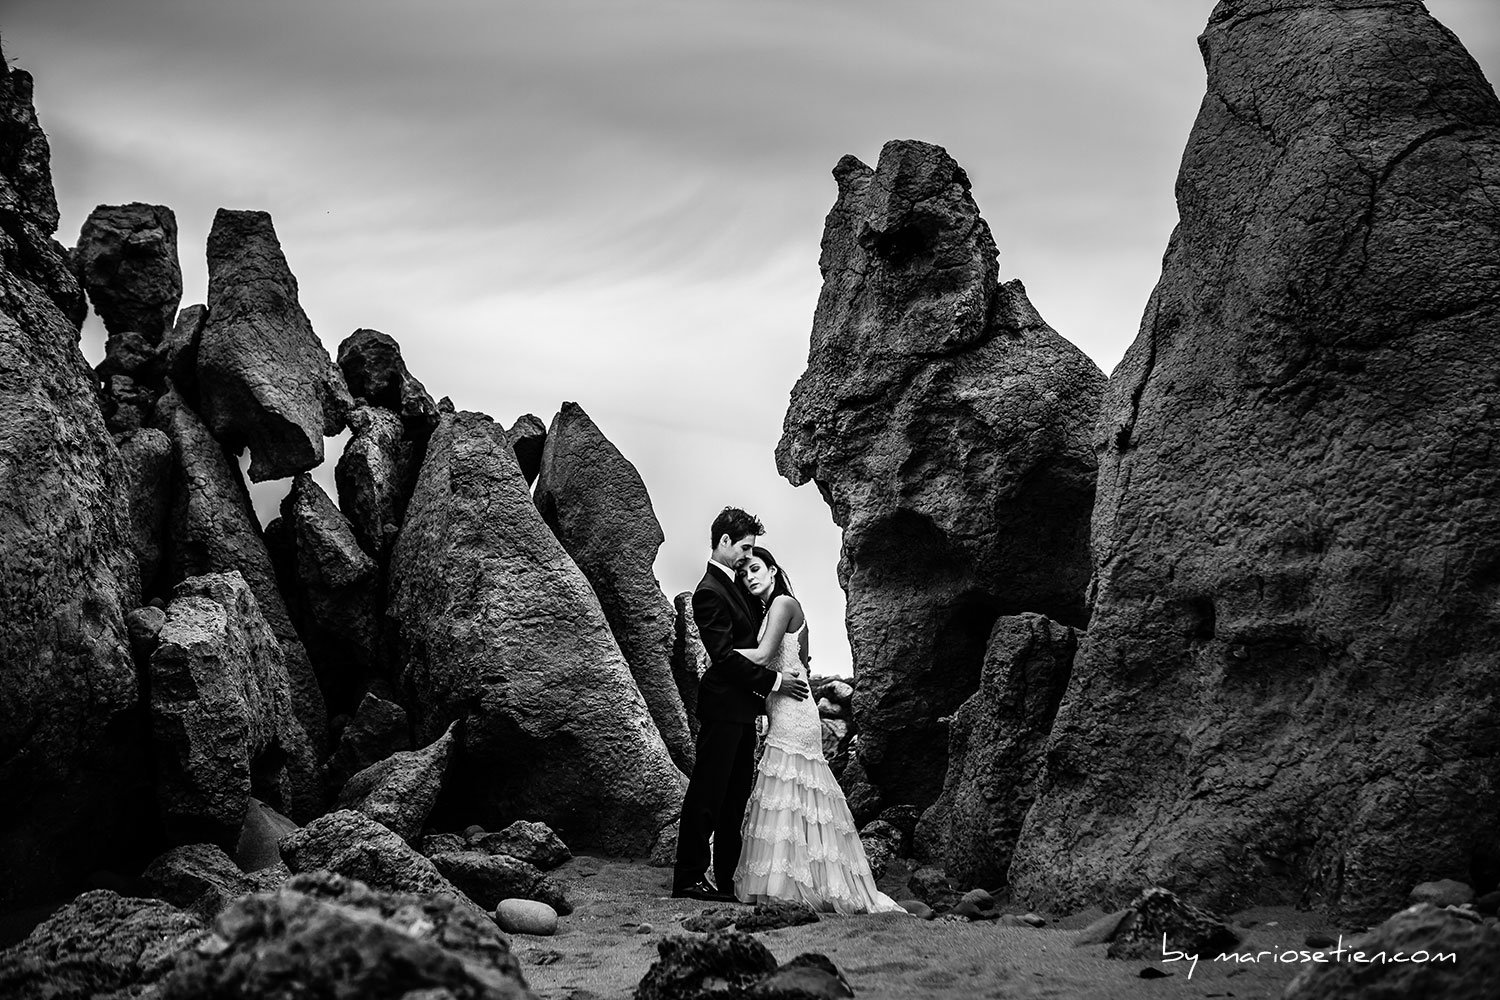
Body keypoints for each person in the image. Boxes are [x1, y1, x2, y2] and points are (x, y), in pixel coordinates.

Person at [731, 546, 904, 914]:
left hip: (795, 712)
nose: (750, 577)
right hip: (787, 706)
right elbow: (799, 666)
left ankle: (795, 885)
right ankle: (796, 881)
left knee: (793, 791)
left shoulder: (782, 605)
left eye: (756, 569)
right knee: (791, 794)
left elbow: (763, 657)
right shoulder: (772, 610)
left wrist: (721, 652)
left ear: (773, 571)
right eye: (744, 574)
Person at [672, 508, 810, 901]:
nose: (748, 555)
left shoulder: (735, 586)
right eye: (745, 546)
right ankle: (688, 878)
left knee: (734, 801)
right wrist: (776, 682)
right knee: (706, 794)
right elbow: (725, 657)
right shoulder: (708, 591)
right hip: (721, 708)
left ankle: (729, 878)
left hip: (743, 710)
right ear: (725, 541)